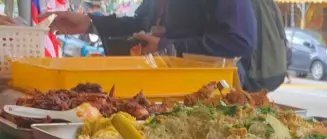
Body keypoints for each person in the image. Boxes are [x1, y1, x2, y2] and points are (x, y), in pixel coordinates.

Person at [39, 0, 257, 81]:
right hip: (166, 90)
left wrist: (169, 48)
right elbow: (142, 22)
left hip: (214, 94)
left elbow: (239, 40)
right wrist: (89, 23)